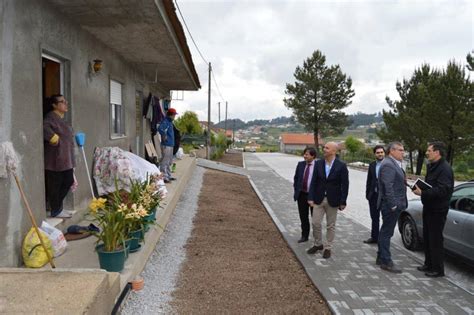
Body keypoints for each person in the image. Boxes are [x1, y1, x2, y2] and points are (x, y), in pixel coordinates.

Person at [412, 141, 454, 278]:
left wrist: (422, 193)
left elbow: (443, 190)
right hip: (429, 207)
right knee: (428, 237)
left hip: (438, 210)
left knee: (435, 239)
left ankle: (438, 269)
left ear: (437, 152)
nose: (427, 152)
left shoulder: (445, 169)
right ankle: (428, 264)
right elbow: (431, 185)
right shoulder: (432, 166)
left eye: (429, 150)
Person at [307, 142, 349, 259]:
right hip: (318, 199)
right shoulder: (318, 163)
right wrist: (310, 197)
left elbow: (345, 185)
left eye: (327, 148)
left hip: (333, 200)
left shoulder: (341, 166)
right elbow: (313, 182)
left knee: (331, 225)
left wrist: (343, 201)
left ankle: (328, 247)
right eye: (324, 147)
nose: (324, 149)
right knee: (315, 222)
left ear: (334, 151)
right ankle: (318, 244)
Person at [376, 141, 407, 273]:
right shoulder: (389, 164)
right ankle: (386, 261)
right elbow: (388, 187)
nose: (403, 152)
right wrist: (393, 205)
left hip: (393, 204)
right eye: (400, 150)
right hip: (390, 205)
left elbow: (395, 183)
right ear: (392, 151)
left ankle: (380, 257)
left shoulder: (393, 163)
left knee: (385, 231)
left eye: (403, 150)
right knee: (386, 233)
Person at [43, 94, 75, 218]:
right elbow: (45, 127)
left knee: (68, 181)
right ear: (54, 105)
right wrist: (52, 137)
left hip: (66, 158)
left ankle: (55, 206)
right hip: (55, 159)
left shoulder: (61, 119)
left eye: (65, 101)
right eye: (62, 101)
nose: (65, 103)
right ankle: (55, 209)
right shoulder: (50, 117)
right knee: (56, 185)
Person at [293, 147, 317, 243]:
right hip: (301, 195)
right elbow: (296, 178)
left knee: (315, 219)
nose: (304, 156)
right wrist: (296, 189)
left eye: (307, 154)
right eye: (304, 154)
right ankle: (304, 236)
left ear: (313, 156)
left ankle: (317, 238)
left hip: (314, 196)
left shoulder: (318, 166)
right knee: (303, 217)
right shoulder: (300, 165)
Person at [363, 145, 385, 244]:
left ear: (384, 153)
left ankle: (384, 239)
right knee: (374, 217)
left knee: (385, 218)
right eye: (378, 152)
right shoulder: (372, 165)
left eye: (381, 152)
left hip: (385, 196)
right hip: (374, 195)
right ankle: (374, 237)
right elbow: (369, 180)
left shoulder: (388, 165)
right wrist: (368, 194)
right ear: (374, 154)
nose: (380, 154)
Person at [158, 108, 178, 183]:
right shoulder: (166, 121)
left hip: (170, 144)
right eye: (174, 115)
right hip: (166, 145)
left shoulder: (170, 122)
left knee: (169, 161)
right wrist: (164, 136)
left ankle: (168, 176)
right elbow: (160, 128)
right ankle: (164, 177)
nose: (174, 117)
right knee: (164, 161)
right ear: (171, 115)